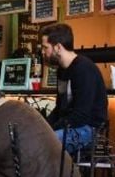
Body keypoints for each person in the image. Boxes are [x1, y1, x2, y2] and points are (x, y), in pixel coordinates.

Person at [40, 22, 108, 152]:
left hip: (89, 129)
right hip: (71, 126)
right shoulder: (62, 71)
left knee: (45, 141)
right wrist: (42, 126)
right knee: (35, 138)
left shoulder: (84, 69)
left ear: (58, 47)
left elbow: (81, 115)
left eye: (45, 47)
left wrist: (50, 130)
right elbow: (59, 108)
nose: (42, 52)